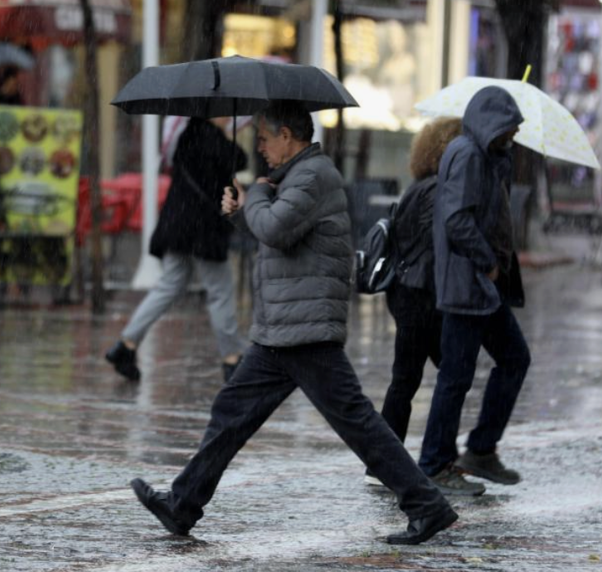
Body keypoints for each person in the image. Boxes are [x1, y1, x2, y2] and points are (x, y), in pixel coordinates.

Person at [129, 101, 457, 546]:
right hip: (282, 327)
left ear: (287, 135)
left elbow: (277, 228)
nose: (259, 147)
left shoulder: (314, 176)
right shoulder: (294, 178)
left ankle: (427, 505)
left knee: (357, 422)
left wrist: (256, 196)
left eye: (263, 138)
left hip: (305, 326)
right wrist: (242, 211)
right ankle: (182, 504)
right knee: (232, 412)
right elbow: (276, 234)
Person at [364, 117, 485, 497]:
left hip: (411, 293)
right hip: (422, 297)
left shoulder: (422, 187)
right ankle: (426, 461)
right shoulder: (436, 191)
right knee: (443, 376)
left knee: (414, 378)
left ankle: (389, 463)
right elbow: (443, 239)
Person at [418, 86, 531, 488]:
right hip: (470, 285)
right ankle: (435, 462)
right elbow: (456, 220)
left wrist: (502, 159)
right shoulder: (467, 154)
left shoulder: (487, 156)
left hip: (483, 288)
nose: (514, 135)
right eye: (509, 128)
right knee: (456, 376)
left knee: (512, 359)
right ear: (491, 124)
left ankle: (481, 449)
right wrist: (488, 264)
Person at [105, 117, 248, 382]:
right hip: (202, 230)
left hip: (177, 225)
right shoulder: (213, 140)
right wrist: (228, 136)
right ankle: (232, 358)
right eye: (224, 113)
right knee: (220, 290)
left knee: (168, 285)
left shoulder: (185, 136)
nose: (229, 117)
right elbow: (240, 159)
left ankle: (126, 343)